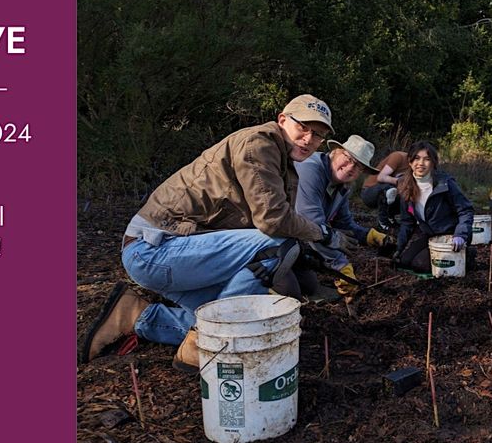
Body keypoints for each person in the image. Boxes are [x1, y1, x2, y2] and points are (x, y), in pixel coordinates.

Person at [81, 94, 353, 370]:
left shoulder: (285, 164)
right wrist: (322, 233)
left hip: (178, 253)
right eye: (303, 127)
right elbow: (273, 221)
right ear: (282, 120)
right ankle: (201, 344)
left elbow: (257, 226)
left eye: (318, 135)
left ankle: (140, 317)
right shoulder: (259, 143)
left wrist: (300, 253)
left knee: (246, 320)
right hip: (155, 249)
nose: (309, 139)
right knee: (275, 249)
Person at [273, 135, 394, 301]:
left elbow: (343, 223)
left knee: (310, 286)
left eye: (358, 166)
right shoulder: (310, 169)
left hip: (292, 243)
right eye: (348, 158)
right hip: (270, 239)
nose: (351, 167)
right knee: (289, 294)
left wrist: (368, 235)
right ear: (335, 152)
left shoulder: (342, 185)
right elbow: (311, 224)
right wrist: (340, 265)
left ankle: (288, 266)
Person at [393, 141, 475, 273]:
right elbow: (407, 222)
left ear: (433, 163)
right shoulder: (404, 185)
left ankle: (468, 254)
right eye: (416, 158)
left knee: (420, 265)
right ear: (409, 161)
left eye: (427, 159)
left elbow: (465, 210)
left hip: (451, 235)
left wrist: (460, 234)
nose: (420, 163)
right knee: (404, 261)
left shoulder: (445, 183)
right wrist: (398, 247)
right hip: (430, 235)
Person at [360, 150, 408, 231]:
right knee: (389, 190)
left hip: (390, 194)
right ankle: (383, 222)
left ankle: (392, 218)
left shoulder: (422, 169)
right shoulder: (398, 157)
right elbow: (381, 177)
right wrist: (399, 181)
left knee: (410, 196)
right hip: (369, 192)